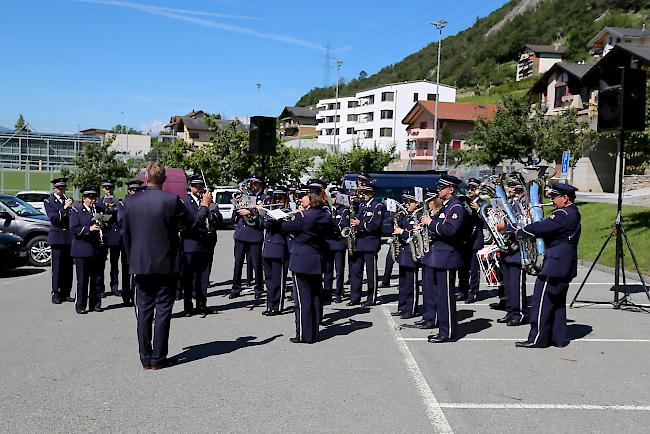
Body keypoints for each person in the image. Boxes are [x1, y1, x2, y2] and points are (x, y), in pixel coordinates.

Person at [122, 162, 197, 370]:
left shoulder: (130, 202)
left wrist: (132, 259)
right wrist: (205, 207)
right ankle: (158, 357)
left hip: (140, 264)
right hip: (166, 264)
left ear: (146, 178)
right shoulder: (171, 200)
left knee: (144, 311)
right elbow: (190, 223)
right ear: (164, 180)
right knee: (163, 310)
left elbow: (126, 236)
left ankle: (145, 357)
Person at [510, 183, 581, 348]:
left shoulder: (563, 214)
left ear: (565, 198)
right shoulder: (571, 212)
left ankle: (537, 338)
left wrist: (518, 231)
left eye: (555, 197)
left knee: (541, 301)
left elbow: (540, 227)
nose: (552, 200)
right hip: (564, 264)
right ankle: (558, 338)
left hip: (555, 265)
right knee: (557, 303)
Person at [420, 175, 471, 343]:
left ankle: (448, 332)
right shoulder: (446, 206)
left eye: (442, 187)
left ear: (451, 189)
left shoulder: (456, 207)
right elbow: (437, 225)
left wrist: (430, 223)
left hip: (447, 257)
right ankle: (443, 328)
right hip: (438, 256)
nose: (439, 190)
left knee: (445, 297)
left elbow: (450, 231)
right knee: (438, 295)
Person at [281, 184, 333, 343]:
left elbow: (283, 226)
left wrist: (292, 215)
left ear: (311, 198)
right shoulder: (325, 215)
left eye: (304, 195)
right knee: (315, 297)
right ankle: (314, 332)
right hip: (317, 260)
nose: (300, 198)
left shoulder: (303, 217)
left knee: (302, 301)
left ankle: (304, 335)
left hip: (301, 261)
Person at [180, 174, 221, 317]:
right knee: (189, 277)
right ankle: (188, 306)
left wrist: (211, 211)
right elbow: (191, 221)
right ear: (191, 186)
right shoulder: (185, 201)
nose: (199, 188)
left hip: (206, 244)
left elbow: (218, 217)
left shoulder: (208, 200)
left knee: (204, 277)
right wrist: (204, 207)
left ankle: (202, 304)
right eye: (196, 186)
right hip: (190, 243)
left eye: (200, 186)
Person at [348, 182, 386, 307]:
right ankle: (355, 297)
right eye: (362, 192)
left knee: (371, 273)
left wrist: (359, 224)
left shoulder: (378, 206)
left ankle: (372, 297)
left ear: (371, 193)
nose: (363, 195)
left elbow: (375, 225)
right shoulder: (361, 205)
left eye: (366, 193)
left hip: (370, 243)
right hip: (358, 242)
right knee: (355, 271)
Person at [497, 179, 528, 327]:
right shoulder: (509, 203)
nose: (508, 189)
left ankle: (519, 313)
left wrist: (505, 227)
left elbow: (523, 223)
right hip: (507, 248)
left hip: (517, 249)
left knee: (516, 285)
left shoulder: (523, 204)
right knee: (508, 285)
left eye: (511, 186)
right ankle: (510, 311)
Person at [69, 186, 104, 314]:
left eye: (94, 197)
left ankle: (96, 303)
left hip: (95, 249)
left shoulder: (98, 210)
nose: (92, 200)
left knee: (97, 279)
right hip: (81, 249)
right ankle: (80, 305)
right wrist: (89, 229)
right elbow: (74, 229)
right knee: (82, 279)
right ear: (84, 198)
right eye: (90, 198)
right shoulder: (76, 210)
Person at [231, 175, 265, 299]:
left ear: (260, 184)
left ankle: (258, 288)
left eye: (256, 184)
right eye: (252, 183)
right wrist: (237, 206)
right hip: (241, 233)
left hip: (255, 233)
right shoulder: (243, 196)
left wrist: (250, 212)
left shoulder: (264, 197)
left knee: (257, 264)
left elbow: (263, 215)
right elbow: (234, 217)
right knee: (238, 263)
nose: (253, 186)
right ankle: (236, 287)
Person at [391, 190, 422, 319]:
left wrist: (401, 231)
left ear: (417, 203)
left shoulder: (419, 216)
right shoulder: (406, 215)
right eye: (406, 202)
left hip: (412, 252)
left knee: (411, 283)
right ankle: (402, 307)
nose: (407, 204)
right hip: (404, 252)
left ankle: (411, 308)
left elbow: (416, 235)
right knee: (403, 283)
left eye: (410, 202)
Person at [261, 186, 291, 316]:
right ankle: (269, 304)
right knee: (268, 279)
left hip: (280, 248)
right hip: (267, 248)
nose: (278, 199)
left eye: (280, 197)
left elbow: (285, 228)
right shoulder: (270, 211)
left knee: (278, 279)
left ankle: (277, 306)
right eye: (276, 197)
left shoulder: (288, 212)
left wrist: (276, 219)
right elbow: (262, 225)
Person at [43, 178, 74, 305]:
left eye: (63, 188)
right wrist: (65, 208)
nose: (62, 190)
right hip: (57, 237)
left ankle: (66, 292)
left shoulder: (67, 199)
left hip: (68, 238)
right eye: (59, 188)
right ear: (54, 188)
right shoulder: (49, 201)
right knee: (57, 267)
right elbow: (54, 218)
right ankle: (56, 292)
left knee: (68, 268)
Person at [457, 178, 486, 304]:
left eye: (473, 189)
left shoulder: (483, 203)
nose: (470, 190)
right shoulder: (464, 201)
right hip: (464, 238)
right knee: (462, 267)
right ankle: (463, 290)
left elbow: (485, 223)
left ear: (478, 190)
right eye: (469, 188)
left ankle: (473, 292)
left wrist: (479, 210)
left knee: (474, 268)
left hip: (476, 239)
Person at [117, 179, 144, 306]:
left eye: (138, 190)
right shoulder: (123, 204)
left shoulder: (142, 203)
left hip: (140, 239)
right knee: (126, 268)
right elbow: (121, 220)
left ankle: (136, 294)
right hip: (127, 240)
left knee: (139, 269)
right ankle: (126, 295)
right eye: (134, 190)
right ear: (129, 191)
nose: (136, 192)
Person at [97, 179, 124, 298]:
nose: (108, 190)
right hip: (104, 233)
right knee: (101, 263)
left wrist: (113, 208)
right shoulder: (99, 201)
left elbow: (120, 216)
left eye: (110, 188)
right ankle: (100, 288)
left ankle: (115, 287)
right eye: (106, 188)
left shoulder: (118, 201)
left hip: (114, 234)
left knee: (114, 263)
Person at [323, 186, 349, 303]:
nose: (334, 198)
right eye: (332, 196)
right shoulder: (327, 210)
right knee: (328, 270)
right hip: (328, 243)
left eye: (336, 196)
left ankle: (338, 293)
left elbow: (344, 226)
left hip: (338, 243)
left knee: (339, 270)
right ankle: (327, 292)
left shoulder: (344, 210)